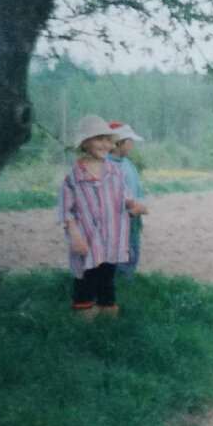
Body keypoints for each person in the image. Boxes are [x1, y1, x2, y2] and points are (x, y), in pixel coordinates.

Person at [58, 115, 131, 319]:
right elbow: (65, 210)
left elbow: (123, 197)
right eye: (99, 139)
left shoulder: (116, 171)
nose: (105, 144)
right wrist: (75, 235)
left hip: (110, 237)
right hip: (86, 238)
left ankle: (107, 310)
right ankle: (84, 313)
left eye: (109, 140)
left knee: (107, 274)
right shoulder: (73, 177)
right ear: (84, 143)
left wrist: (133, 205)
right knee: (86, 276)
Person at [106, 121, 150, 278]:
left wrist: (139, 205)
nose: (132, 144)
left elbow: (137, 191)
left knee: (132, 254)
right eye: (129, 141)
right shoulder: (106, 166)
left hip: (132, 222)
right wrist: (131, 209)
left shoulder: (129, 165)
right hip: (116, 225)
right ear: (119, 142)